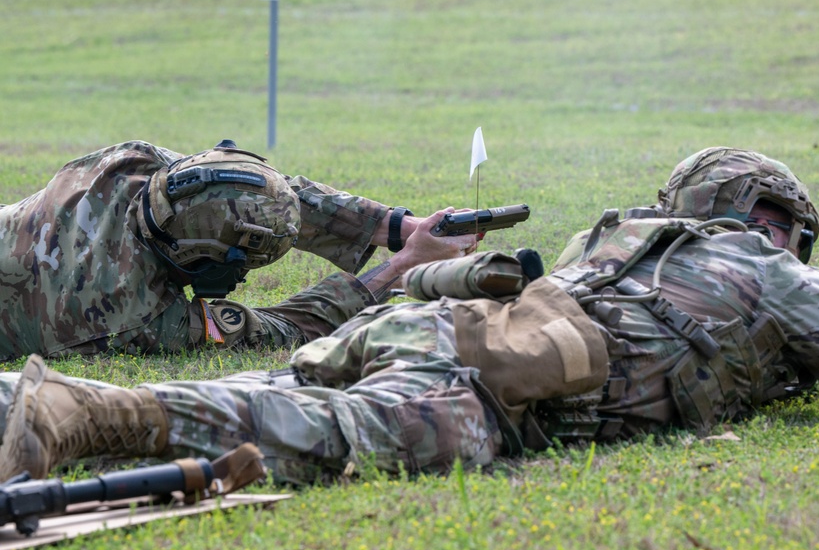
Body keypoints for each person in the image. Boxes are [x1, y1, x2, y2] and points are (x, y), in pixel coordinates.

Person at [0, 146, 819, 484]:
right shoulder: (764, 269)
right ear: (772, 219)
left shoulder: (613, 241)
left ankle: (36, 401)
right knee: (318, 431)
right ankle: (76, 415)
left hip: (442, 327)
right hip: (496, 379)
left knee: (271, 388)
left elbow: (775, 346)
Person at [0, 139, 476, 361]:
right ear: (209, 266)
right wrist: (404, 264)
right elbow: (288, 327)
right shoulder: (133, 317)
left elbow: (254, 189)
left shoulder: (128, 164)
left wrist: (398, 227)